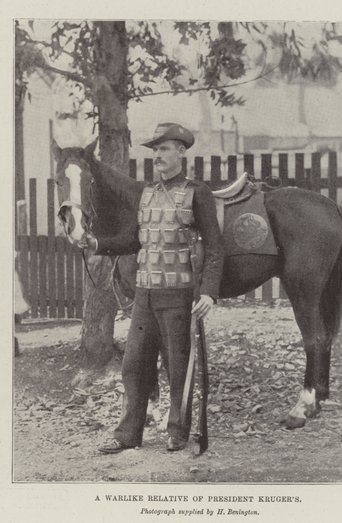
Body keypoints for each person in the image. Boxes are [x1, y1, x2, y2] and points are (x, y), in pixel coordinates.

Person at [80, 123, 223, 452]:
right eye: (155, 150)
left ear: (181, 152)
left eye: (164, 149)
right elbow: (135, 240)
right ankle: (128, 434)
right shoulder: (147, 193)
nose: (157, 155)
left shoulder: (196, 192)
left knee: (177, 365)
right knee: (133, 366)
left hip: (178, 294)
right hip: (144, 294)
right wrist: (97, 243)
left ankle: (177, 430)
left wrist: (208, 292)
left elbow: (215, 248)